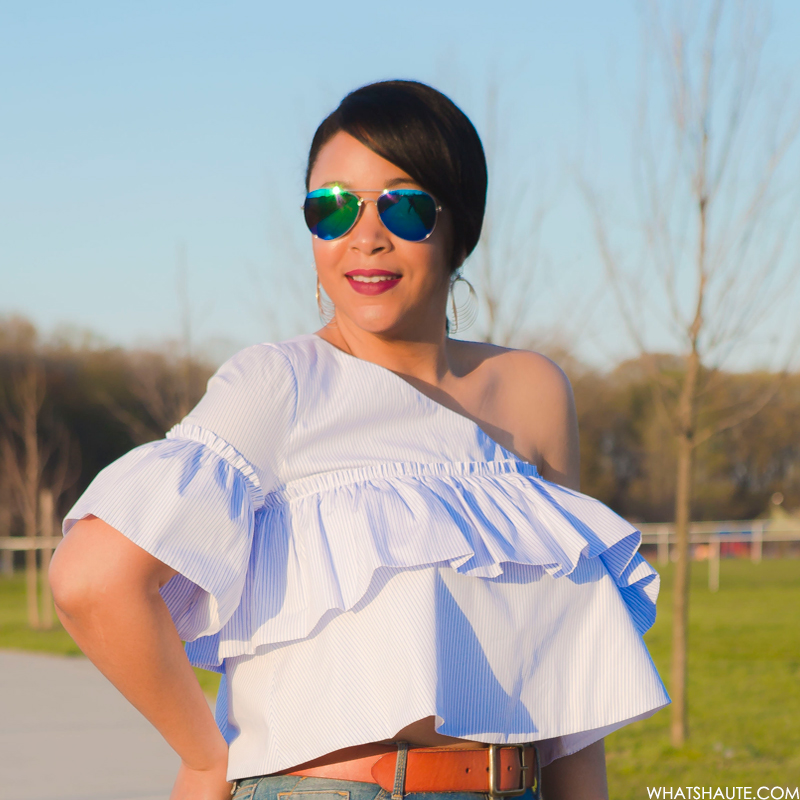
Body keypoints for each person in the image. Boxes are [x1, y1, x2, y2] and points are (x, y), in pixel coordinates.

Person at [50, 80, 669, 800]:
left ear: (459, 225)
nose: (365, 235)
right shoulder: (277, 386)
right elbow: (93, 579)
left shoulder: (532, 391)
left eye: (404, 206)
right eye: (332, 207)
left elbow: (570, 684)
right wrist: (202, 757)